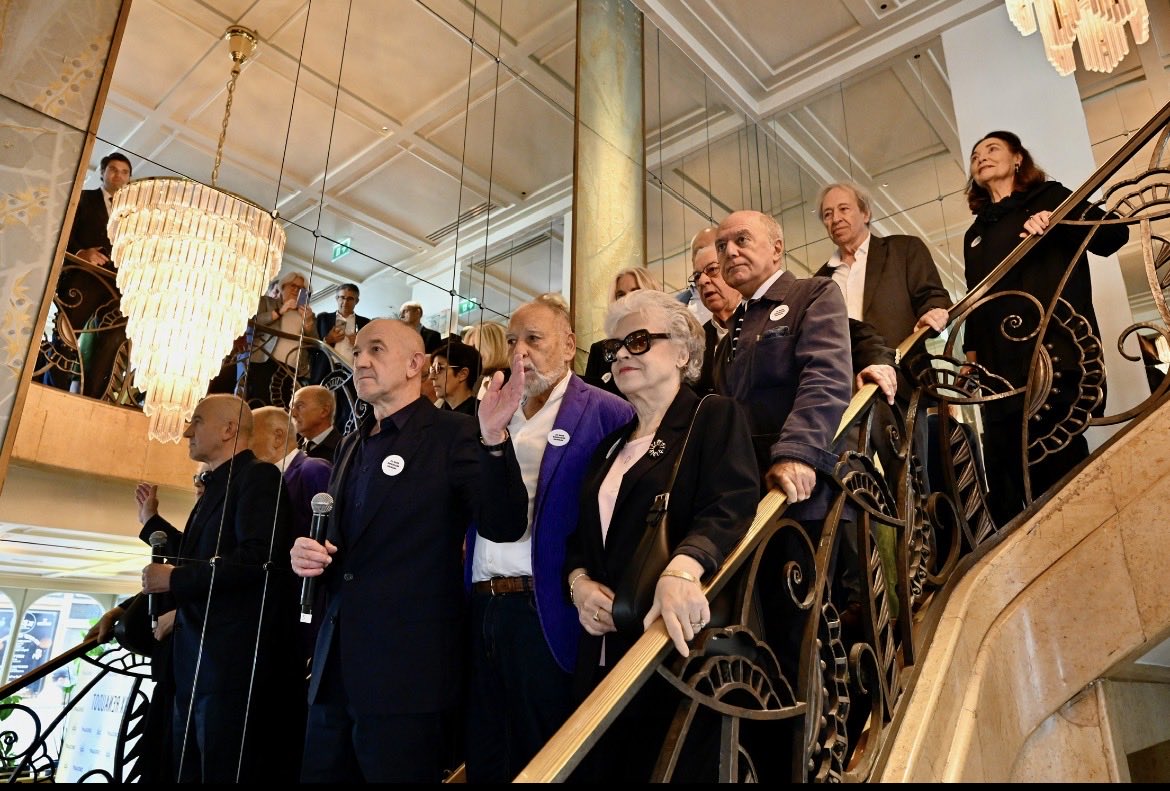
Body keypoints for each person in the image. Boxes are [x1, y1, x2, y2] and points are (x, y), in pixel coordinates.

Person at [289, 319, 528, 783]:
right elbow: (347, 550)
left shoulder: (454, 433)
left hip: (406, 680)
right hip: (333, 673)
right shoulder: (351, 444)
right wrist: (308, 554)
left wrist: (494, 441)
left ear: (416, 364)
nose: (359, 360)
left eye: (376, 349)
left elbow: (504, 524)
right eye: (357, 351)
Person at [564, 289, 759, 781]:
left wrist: (685, 566)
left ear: (682, 351)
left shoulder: (713, 415)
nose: (622, 354)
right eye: (614, 347)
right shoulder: (609, 444)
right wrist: (579, 585)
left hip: (672, 644)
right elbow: (579, 542)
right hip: (603, 652)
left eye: (637, 340)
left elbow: (731, 504)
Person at [464, 293, 634, 783]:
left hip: (546, 606)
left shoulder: (607, 411)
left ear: (568, 345)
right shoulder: (493, 411)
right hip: (482, 606)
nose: (520, 352)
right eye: (514, 341)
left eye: (534, 340)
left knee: (546, 754)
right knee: (487, 749)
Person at [962, 130, 1128, 526]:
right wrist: (970, 361)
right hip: (998, 372)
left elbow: (1113, 235)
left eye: (992, 149)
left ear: (1018, 158)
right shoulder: (974, 234)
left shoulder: (1050, 197)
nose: (981, 157)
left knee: (1060, 467)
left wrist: (1062, 222)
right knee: (1007, 479)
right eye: (975, 155)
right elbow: (976, 303)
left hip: (1054, 354)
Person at [713, 210, 854, 674]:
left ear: (777, 246)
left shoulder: (812, 294)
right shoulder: (729, 331)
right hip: (747, 499)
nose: (730, 251)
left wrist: (796, 452)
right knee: (762, 635)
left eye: (742, 240)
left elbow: (826, 377)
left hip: (802, 497)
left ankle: (831, 738)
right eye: (722, 245)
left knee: (808, 630)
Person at [136, 394, 303, 783]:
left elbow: (257, 559)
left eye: (196, 421)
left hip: (229, 662)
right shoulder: (216, 486)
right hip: (197, 659)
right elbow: (201, 556)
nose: (187, 430)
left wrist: (174, 579)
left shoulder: (259, 477)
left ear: (229, 429)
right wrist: (150, 524)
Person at [815, 181, 952, 483]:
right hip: (845, 392)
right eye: (827, 214)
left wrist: (935, 311)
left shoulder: (904, 249)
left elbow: (932, 295)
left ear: (865, 212)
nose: (835, 218)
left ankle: (922, 533)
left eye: (843, 209)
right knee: (851, 486)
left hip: (899, 383)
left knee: (910, 485)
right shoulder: (820, 281)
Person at [45, 152, 133, 399]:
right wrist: (80, 252)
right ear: (103, 172)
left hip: (115, 288)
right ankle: (51, 391)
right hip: (80, 281)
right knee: (66, 338)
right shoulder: (82, 199)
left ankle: (91, 396)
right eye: (114, 169)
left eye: (125, 172)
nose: (119, 175)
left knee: (109, 342)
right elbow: (61, 233)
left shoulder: (134, 216)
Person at [582, 267, 664, 395]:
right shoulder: (600, 350)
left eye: (635, 291)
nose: (627, 299)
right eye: (620, 295)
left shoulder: (664, 342)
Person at [245, 271, 318, 408]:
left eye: (301, 289)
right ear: (282, 286)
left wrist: (308, 322)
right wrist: (279, 311)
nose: (296, 290)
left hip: (291, 369)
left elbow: (314, 344)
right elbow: (252, 323)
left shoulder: (308, 314)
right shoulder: (267, 302)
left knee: (281, 406)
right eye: (293, 286)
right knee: (258, 402)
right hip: (264, 361)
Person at [688, 227, 741, 396]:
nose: (703, 280)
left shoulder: (762, 320)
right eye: (697, 276)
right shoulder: (696, 340)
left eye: (712, 270)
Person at [310, 283, 370, 384]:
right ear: (336, 298)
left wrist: (359, 345)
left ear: (357, 301)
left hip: (352, 373)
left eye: (350, 299)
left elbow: (370, 352)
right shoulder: (323, 319)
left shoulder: (365, 324)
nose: (345, 302)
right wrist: (327, 340)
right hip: (325, 369)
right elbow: (311, 347)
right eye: (342, 297)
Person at [289, 384, 340, 462]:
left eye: (299, 406)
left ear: (324, 411)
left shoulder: (345, 451)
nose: (292, 414)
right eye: (291, 408)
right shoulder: (290, 452)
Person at [431, 339, 481, 416]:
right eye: (432, 369)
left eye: (439, 368)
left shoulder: (481, 415)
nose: (431, 377)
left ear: (462, 374)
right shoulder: (436, 413)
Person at [464, 321, 509, 398]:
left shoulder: (516, 381)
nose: (468, 356)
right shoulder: (481, 382)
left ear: (494, 347)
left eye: (474, 348)